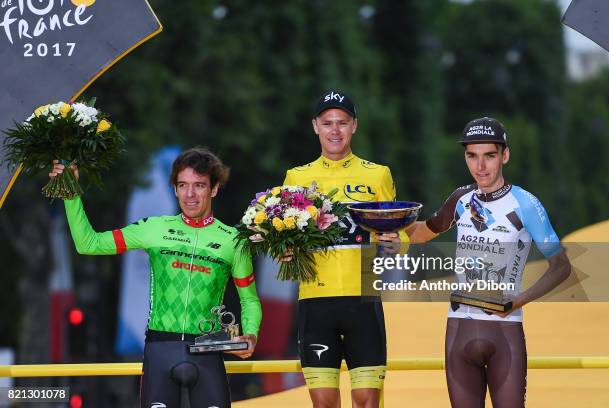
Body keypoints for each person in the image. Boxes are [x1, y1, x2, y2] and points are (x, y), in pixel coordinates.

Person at [49, 147, 262, 408]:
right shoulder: (154, 228)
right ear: (174, 189)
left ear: (214, 189)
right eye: (182, 185)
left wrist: (250, 335)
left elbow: (249, 300)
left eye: (199, 186)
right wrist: (71, 193)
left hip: (208, 350)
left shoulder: (234, 241)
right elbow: (88, 243)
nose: (190, 194)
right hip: (161, 350)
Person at [407, 117, 571, 407]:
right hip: (458, 328)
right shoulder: (460, 198)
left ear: (504, 156)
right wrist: (386, 222)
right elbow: (421, 234)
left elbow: (561, 266)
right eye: (472, 156)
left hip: (504, 331)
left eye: (489, 156)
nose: (480, 166)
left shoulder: (525, 204)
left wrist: (518, 301)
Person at [282, 90, 401, 408]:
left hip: (363, 300)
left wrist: (394, 244)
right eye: (327, 123)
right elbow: (285, 238)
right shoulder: (296, 177)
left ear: (354, 126)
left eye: (342, 123)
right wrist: (285, 250)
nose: (335, 130)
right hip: (315, 303)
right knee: (323, 405)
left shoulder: (378, 175)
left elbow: (393, 237)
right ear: (315, 127)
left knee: (366, 402)